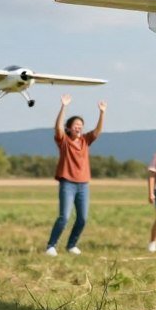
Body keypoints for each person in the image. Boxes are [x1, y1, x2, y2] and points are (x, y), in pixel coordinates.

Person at [45, 94, 105, 257]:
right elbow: (57, 128)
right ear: (69, 128)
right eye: (75, 125)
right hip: (68, 184)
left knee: (82, 218)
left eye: (81, 125)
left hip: (83, 184)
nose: (79, 127)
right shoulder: (63, 140)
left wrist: (102, 113)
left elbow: (98, 131)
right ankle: (51, 246)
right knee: (64, 217)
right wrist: (63, 107)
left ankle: (71, 245)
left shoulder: (86, 140)